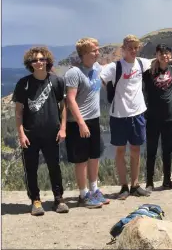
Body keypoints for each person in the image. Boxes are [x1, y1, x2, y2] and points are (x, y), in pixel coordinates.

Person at [13, 46, 69, 215]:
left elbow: (63, 107)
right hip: (30, 135)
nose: (38, 62)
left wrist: (63, 128)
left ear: (47, 61)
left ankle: (58, 199)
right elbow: (18, 112)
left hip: (52, 134)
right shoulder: (24, 83)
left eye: (42, 59)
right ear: (30, 63)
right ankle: (35, 201)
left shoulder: (57, 81)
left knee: (54, 166)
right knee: (31, 168)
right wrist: (21, 134)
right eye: (34, 60)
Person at [100, 35, 154, 199]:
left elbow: (158, 60)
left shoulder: (141, 63)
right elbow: (100, 80)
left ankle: (135, 185)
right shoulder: (114, 67)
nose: (133, 51)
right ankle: (124, 186)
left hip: (137, 113)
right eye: (130, 48)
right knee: (120, 150)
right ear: (123, 49)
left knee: (136, 150)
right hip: (119, 115)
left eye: (136, 48)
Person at [64, 38, 108, 209]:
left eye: (97, 49)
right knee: (81, 160)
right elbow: (71, 100)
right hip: (78, 122)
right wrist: (81, 123)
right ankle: (83, 195)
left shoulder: (96, 68)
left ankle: (94, 189)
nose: (98, 52)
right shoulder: (74, 73)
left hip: (94, 119)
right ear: (83, 54)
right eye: (94, 50)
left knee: (94, 156)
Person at [143, 44, 172, 192]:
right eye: (161, 54)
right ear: (156, 55)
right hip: (152, 117)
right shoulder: (149, 72)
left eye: (167, 53)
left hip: (169, 117)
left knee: (167, 151)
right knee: (151, 150)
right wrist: (155, 62)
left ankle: (167, 181)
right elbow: (138, 63)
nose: (164, 56)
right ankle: (149, 182)